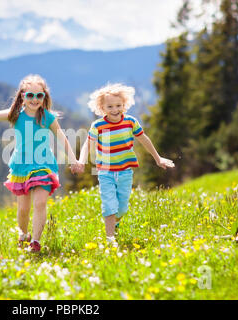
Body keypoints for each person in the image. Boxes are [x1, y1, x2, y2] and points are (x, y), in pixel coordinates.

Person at [0, 74, 82, 252]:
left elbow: (63, 138)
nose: (34, 99)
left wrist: (74, 160)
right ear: (22, 97)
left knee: (40, 203)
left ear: (44, 97)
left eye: (39, 96)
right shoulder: (15, 115)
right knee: (23, 209)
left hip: (44, 164)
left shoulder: (48, 117)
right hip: (21, 166)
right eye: (30, 95)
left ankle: (35, 241)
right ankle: (23, 235)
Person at [75, 83, 175, 244]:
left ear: (124, 104)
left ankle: (115, 224)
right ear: (102, 107)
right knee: (109, 205)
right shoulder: (98, 125)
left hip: (125, 171)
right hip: (105, 172)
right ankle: (110, 240)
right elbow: (88, 143)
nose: (115, 109)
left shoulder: (130, 122)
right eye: (110, 106)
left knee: (122, 208)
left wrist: (158, 158)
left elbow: (144, 139)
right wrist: (81, 160)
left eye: (118, 105)